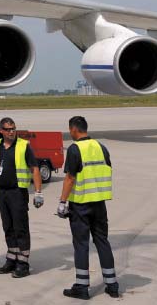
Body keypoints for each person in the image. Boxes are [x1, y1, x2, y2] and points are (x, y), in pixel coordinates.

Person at [58, 116, 118, 299]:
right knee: (102, 241)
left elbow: (70, 178)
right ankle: (112, 285)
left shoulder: (75, 149)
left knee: (81, 244)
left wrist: (62, 202)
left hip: (81, 204)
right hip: (99, 203)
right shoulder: (101, 147)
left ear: (73, 129)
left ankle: (82, 287)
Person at [0, 117, 44, 278]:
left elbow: (35, 168)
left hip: (17, 193)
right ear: (1, 131)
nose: (11, 132)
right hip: (2, 192)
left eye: (13, 129)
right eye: (8, 129)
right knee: (8, 227)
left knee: (20, 228)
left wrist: (38, 192)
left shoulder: (23, 146)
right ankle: (11, 259)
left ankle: (23, 264)